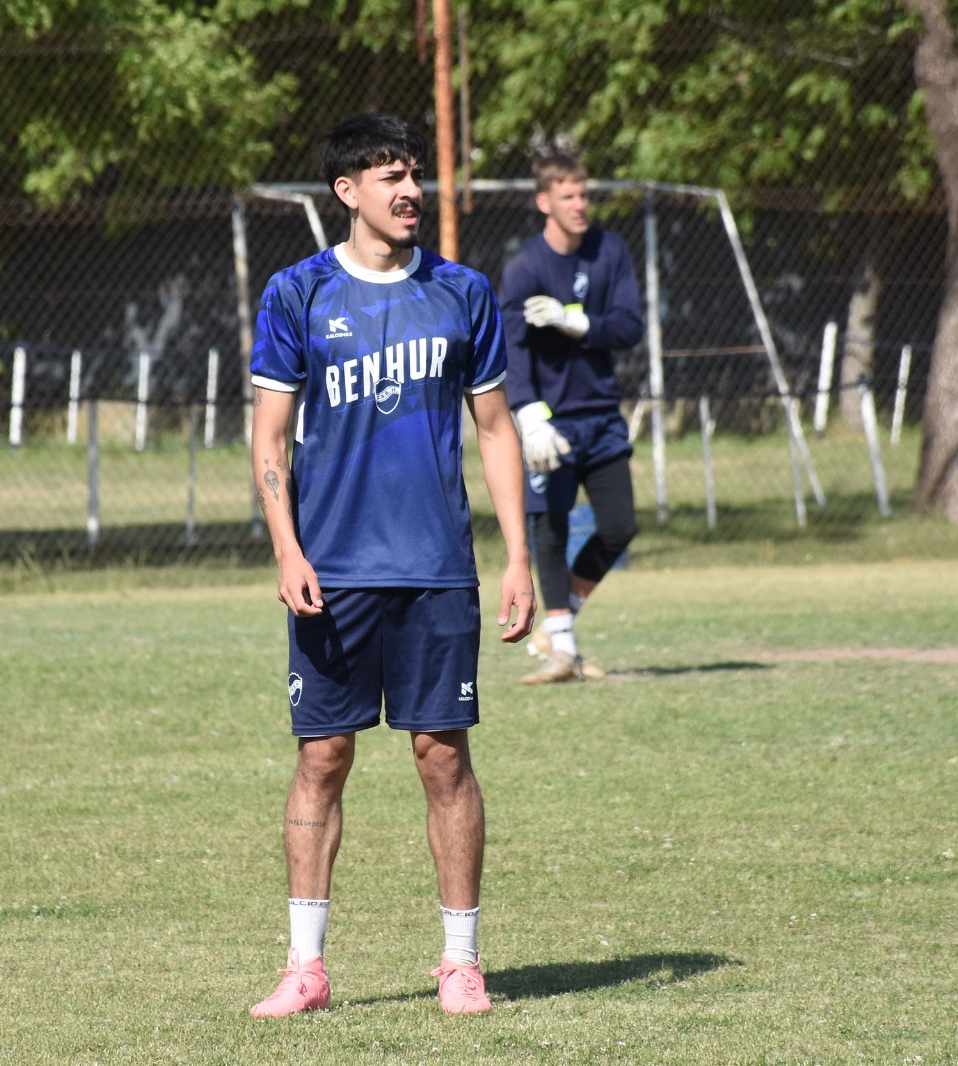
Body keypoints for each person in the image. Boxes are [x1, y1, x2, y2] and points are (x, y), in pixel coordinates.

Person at [247, 113, 536, 1018]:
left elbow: (496, 429)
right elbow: (269, 437)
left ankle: (461, 963)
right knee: (322, 757)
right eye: (390, 177)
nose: (411, 191)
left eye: (414, 174)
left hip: (436, 568)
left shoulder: (462, 293)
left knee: (443, 759)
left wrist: (520, 557)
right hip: (331, 571)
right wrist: (287, 547)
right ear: (348, 192)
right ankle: (305, 968)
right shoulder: (296, 293)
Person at [499, 149, 644, 685]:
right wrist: (528, 416)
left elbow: (629, 327)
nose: (580, 205)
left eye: (584, 194)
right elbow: (512, 350)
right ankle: (563, 649)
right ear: (545, 202)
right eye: (568, 196)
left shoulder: (611, 251)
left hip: (601, 416)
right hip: (551, 422)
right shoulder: (525, 268)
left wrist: (576, 322)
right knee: (550, 528)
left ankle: (559, 626)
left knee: (619, 526)